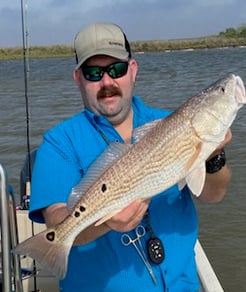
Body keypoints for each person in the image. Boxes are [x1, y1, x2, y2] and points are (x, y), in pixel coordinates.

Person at [29, 22, 232, 291]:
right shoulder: (59, 142)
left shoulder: (169, 123)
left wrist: (212, 154)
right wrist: (106, 222)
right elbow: (56, 218)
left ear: (132, 69)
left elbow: (213, 194)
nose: (107, 82)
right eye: (93, 73)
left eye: (116, 69)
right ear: (78, 78)